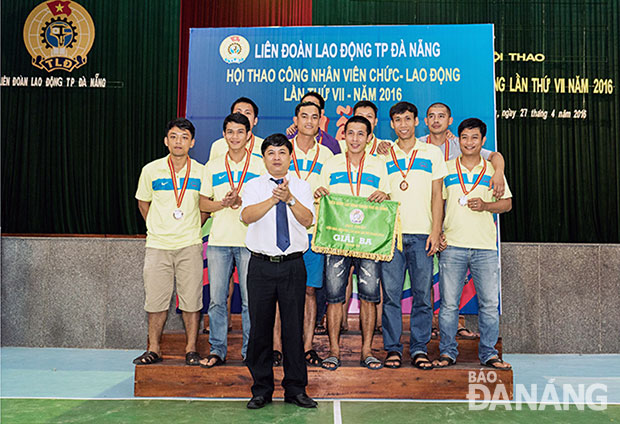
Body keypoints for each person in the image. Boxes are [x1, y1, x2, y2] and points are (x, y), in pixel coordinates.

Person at [241, 134, 317, 409]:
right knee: (260, 329)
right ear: (264, 158)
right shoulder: (253, 186)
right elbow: (246, 216)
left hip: (292, 266)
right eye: (271, 153)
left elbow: (308, 220)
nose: (276, 157)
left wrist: (290, 199)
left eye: (282, 153)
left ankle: (295, 389)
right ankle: (261, 389)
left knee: (292, 329)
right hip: (260, 265)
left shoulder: (302, 186)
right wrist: (274, 200)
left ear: (290, 157)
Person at [432, 118, 512, 371]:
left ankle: (489, 354)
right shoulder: (445, 169)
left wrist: (487, 206)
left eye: (474, 138)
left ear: (483, 141)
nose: (469, 142)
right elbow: (436, 204)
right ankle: (447, 352)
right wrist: (437, 231)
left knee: (489, 305)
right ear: (457, 139)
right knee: (448, 305)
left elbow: (507, 204)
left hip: (485, 248)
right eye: (464, 137)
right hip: (452, 245)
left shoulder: (492, 171)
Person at [315, 116, 390, 371]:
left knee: (369, 297)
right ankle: (334, 351)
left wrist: (385, 195)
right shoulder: (331, 163)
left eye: (361, 133)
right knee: (335, 297)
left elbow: (388, 198)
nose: (355, 138)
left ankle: (367, 351)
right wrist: (319, 194)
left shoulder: (379, 166)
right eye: (351, 133)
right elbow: (320, 195)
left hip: (369, 243)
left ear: (369, 138)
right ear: (343, 136)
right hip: (338, 241)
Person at [133, 118, 207, 366]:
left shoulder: (201, 171)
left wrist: (191, 226)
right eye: (174, 136)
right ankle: (153, 348)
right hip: (157, 246)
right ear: (166, 140)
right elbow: (144, 204)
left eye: (184, 137)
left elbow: (204, 207)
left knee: (192, 300)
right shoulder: (150, 170)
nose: (179, 142)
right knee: (155, 300)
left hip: (190, 244)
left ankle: (191, 349)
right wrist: (158, 226)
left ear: (192, 142)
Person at [380, 102, 447, 370]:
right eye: (398, 120)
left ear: (417, 121)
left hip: (422, 235)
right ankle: (393, 350)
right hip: (391, 237)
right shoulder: (383, 155)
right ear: (392, 124)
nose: (404, 124)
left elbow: (437, 195)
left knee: (422, 295)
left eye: (408, 119)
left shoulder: (432, 152)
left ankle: (419, 349)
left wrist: (435, 230)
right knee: (392, 296)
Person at [198, 113, 264, 367]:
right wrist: (222, 203)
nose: (234, 137)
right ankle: (217, 349)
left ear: (249, 135)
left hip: (251, 241)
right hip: (218, 241)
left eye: (240, 132)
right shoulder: (213, 166)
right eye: (230, 132)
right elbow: (203, 202)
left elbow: (266, 201)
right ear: (223, 135)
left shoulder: (260, 164)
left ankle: (250, 351)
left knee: (250, 301)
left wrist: (242, 203)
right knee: (216, 299)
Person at [287, 101, 334, 367]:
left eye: (314, 117)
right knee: (283, 292)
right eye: (303, 116)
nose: (308, 121)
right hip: (285, 234)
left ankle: (306, 348)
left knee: (309, 292)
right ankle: (278, 348)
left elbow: (333, 191)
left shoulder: (328, 155)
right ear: (296, 119)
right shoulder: (282, 150)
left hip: (314, 234)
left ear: (321, 121)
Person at [422, 102, 505, 197]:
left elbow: (494, 156)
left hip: (453, 205)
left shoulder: (462, 144)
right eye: (431, 116)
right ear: (426, 121)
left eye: (441, 116)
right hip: (425, 203)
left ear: (450, 121)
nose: (436, 120)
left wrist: (499, 173)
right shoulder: (418, 145)